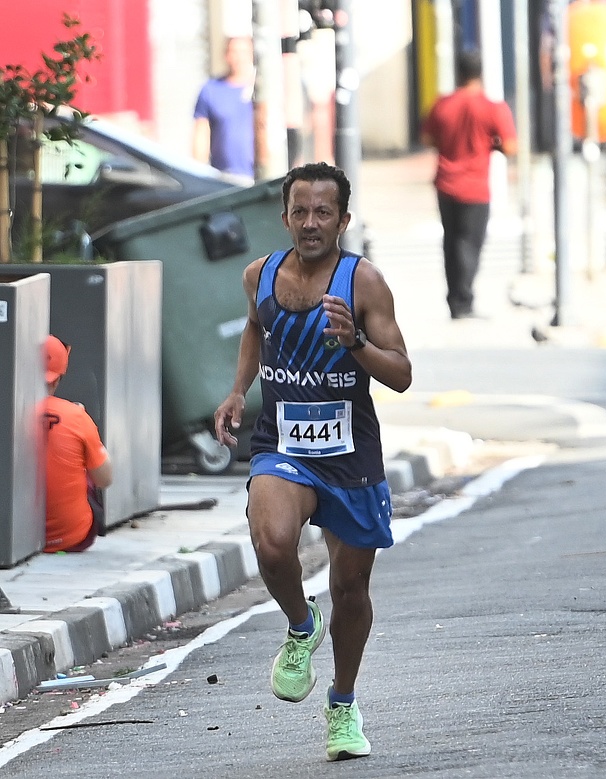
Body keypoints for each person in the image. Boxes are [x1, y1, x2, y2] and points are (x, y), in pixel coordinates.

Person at [212, 162, 413, 761]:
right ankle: (302, 625)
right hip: (284, 444)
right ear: (285, 218)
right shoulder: (261, 276)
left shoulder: (363, 283)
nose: (310, 223)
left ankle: (343, 704)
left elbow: (402, 374)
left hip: (350, 456)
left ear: (343, 220)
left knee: (351, 588)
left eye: (323, 212)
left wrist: (355, 342)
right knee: (272, 541)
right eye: (300, 211)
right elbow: (255, 328)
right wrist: (237, 391)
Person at [421, 49, 517, 320]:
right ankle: (464, 301)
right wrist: (492, 144)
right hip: (475, 187)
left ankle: (455, 299)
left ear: (459, 73)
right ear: (480, 74)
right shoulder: (492, 108)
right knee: (471, 243)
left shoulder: (442, 105)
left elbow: (428, 138)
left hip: (445, 183)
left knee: (451, 242)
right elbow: (510, 146)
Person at [42, 335, 112, 553]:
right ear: (57, 379)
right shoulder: (75, 416)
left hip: (10, 538)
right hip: (71, 537)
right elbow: (104, 479)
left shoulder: (9, 415)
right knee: (84, 464)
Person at [193, 36, 256, 181]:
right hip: (224, 177)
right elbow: (201, 135)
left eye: (243, 52)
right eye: (233, 52)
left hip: (259, 176)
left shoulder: (264, 90)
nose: (238, 58)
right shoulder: (211, 90)